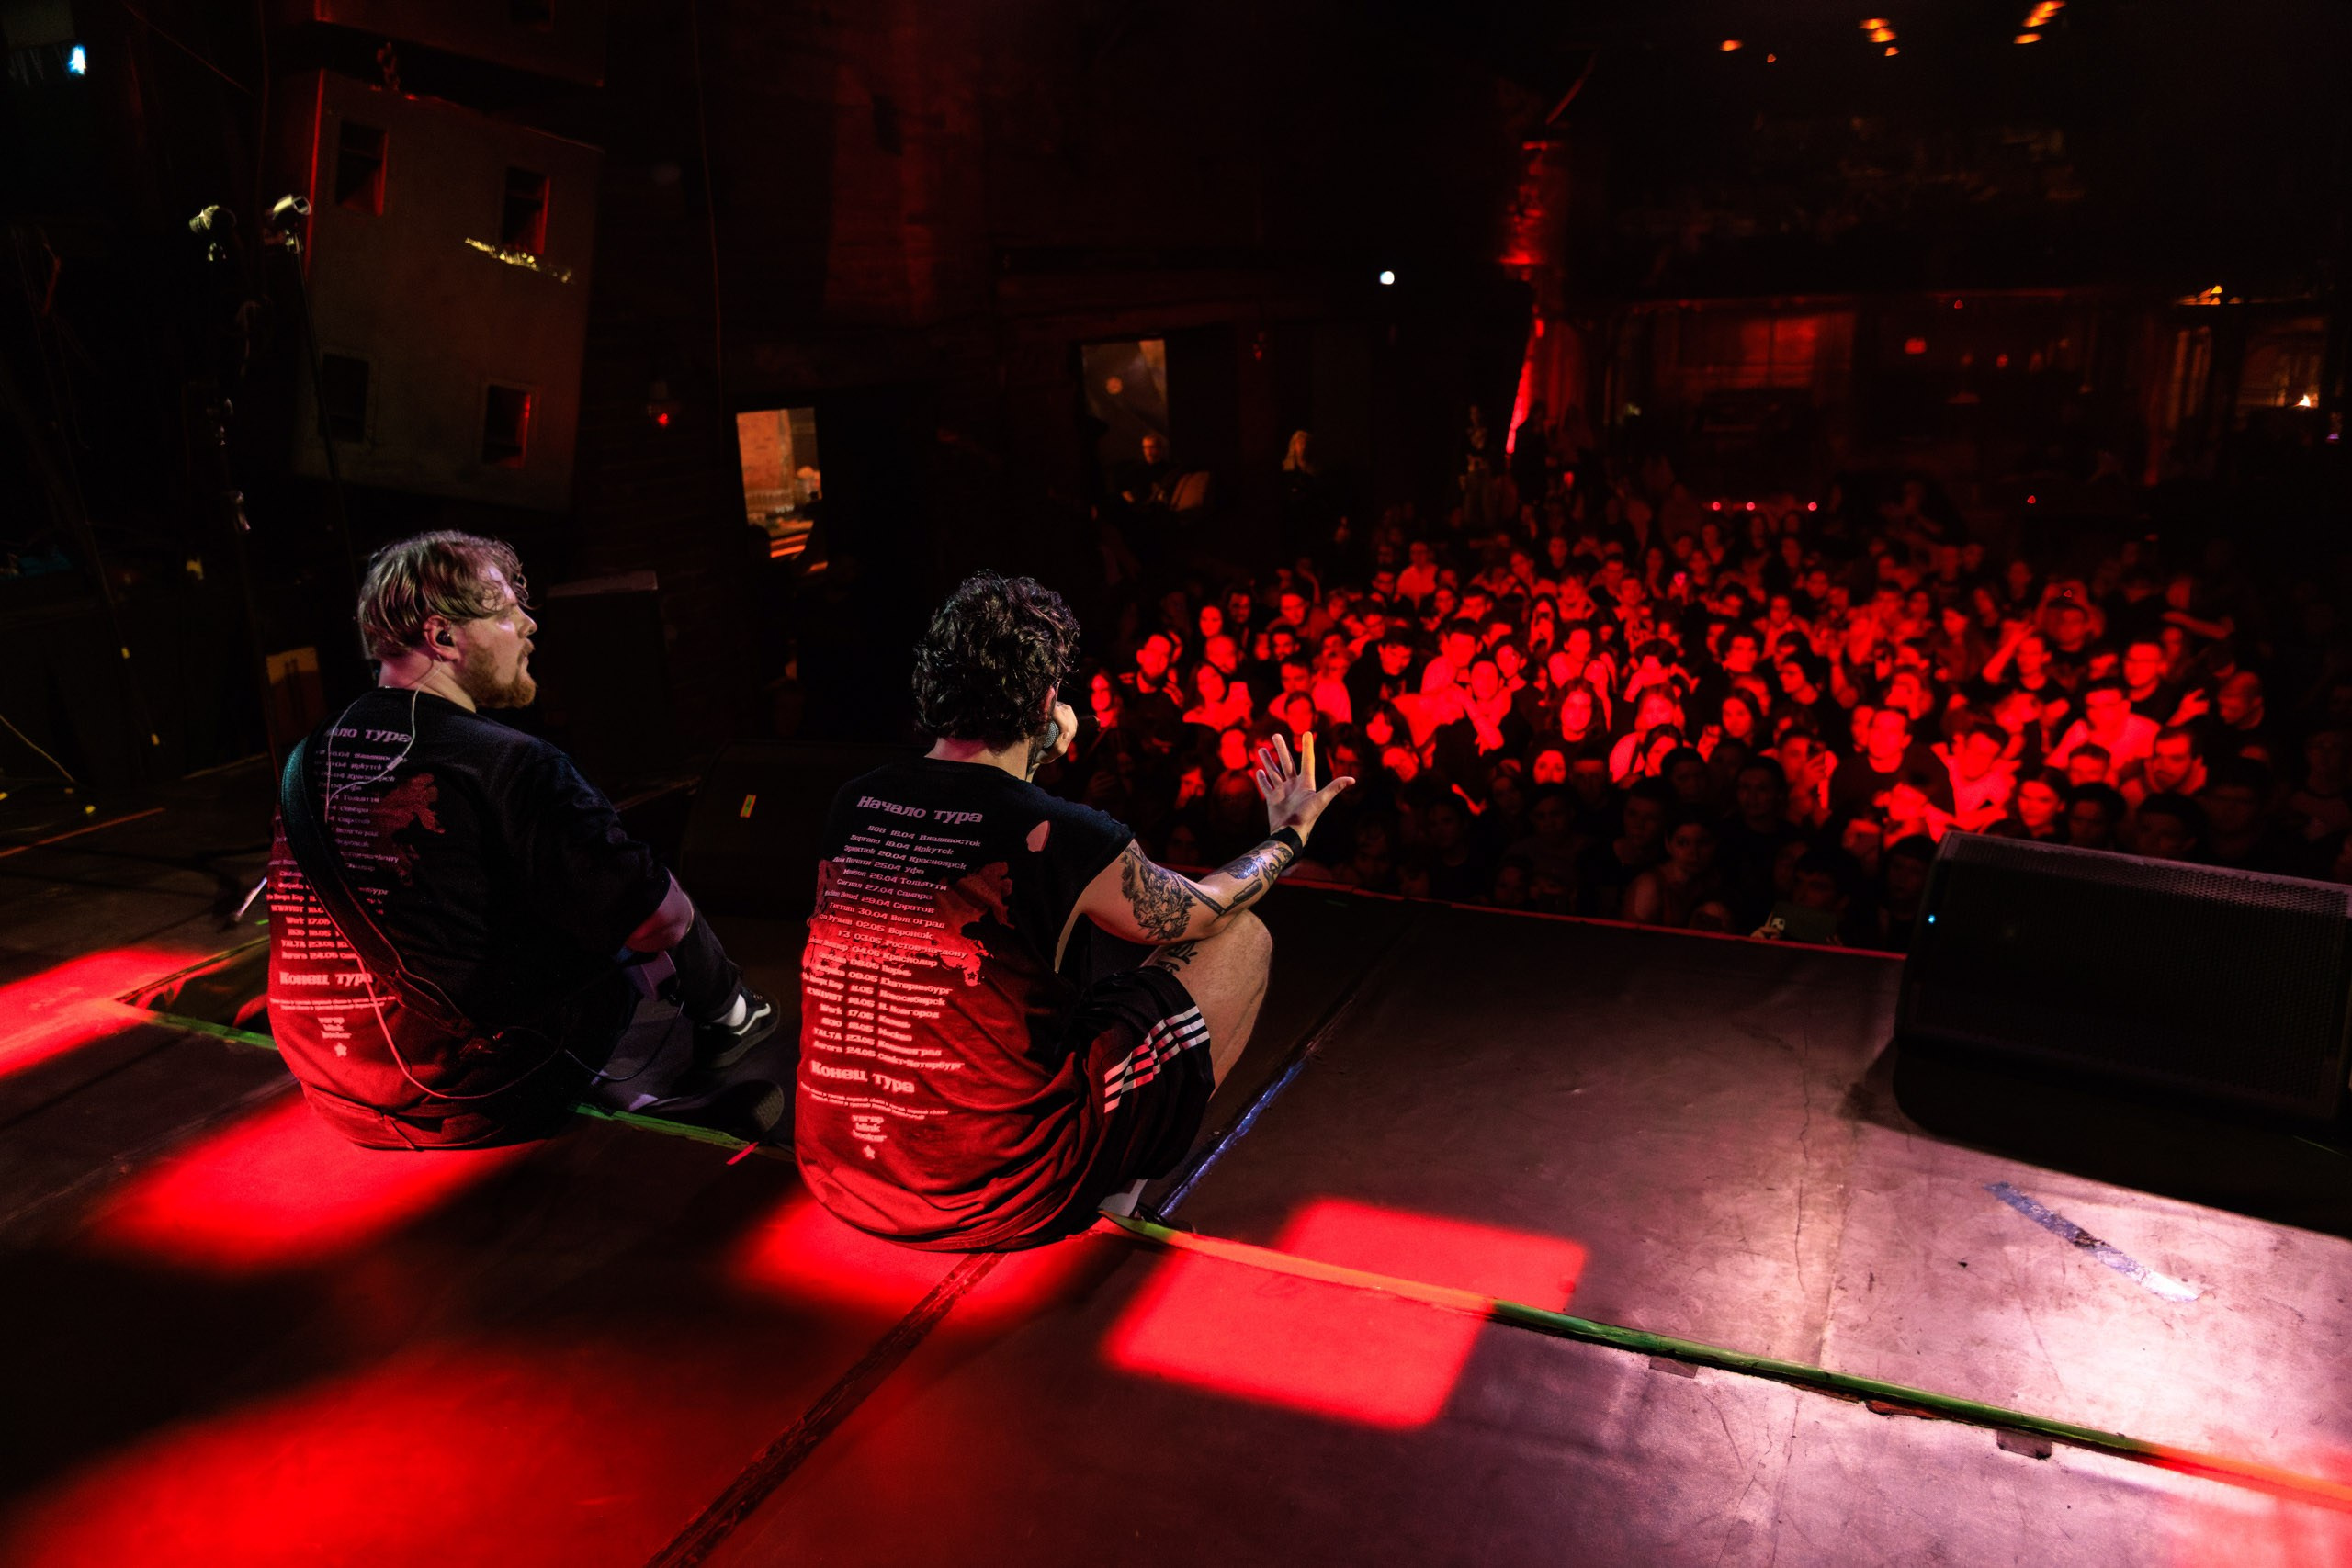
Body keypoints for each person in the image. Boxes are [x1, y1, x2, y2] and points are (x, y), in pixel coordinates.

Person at [795, 572, 1353, 1251]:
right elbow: (1206, 910)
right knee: (1242, 939)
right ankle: (1116, 1199)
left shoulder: (854, 801)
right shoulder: (1061, 831)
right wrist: (1288, 835)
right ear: (1046, 700)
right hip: (991, 1193)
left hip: (843, 1174)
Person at [266, 532, 779, 1150]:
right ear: (445, 636)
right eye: (506, 611)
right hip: (470, 1094)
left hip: (335, 1085)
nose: (529, 625)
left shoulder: (308, 754)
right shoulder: (509, 762)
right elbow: (660, 922)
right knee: (630, 903)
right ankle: (721, 1023)